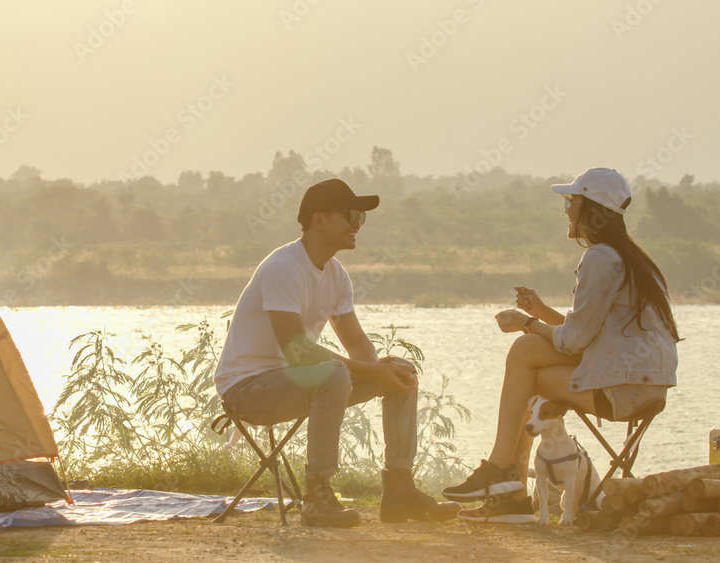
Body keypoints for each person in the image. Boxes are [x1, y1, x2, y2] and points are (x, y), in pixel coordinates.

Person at [214, 178, 461, 528]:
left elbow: (356, 342)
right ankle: (316, 497)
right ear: (320, 220)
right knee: (334, 373)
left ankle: (399, 490)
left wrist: (378, 370)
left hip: (297, 382)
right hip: (248, 389)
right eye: (349, 214)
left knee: (401, 370)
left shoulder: (335, 274)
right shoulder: (284, 268)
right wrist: (370, 371)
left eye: (360, 215)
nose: (357, 223)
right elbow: (298, 350)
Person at [441, 168, 680, 523]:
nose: (566, 210)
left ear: (592, 209)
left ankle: (506, 480)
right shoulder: (630, 258)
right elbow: (588, 337)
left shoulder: (600, 258)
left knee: (525, 359)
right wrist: (540, 313)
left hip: (624, 390)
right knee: (528, 359)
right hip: (642, 384)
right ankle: (508, 485)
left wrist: (525, 323)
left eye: (571, 201)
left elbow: (574, 342)